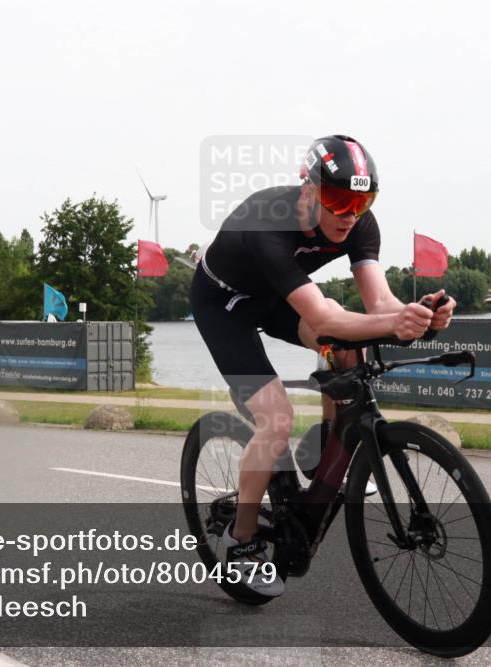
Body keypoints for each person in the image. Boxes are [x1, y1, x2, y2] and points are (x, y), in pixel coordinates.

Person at [190, 134, 456, 597]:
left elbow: (380, 304)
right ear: (308, 188)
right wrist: (395, 324)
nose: (350, 213)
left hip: (275, 296)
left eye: (362, 200)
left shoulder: (359, 224)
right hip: (225, 306)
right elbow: (323, 318)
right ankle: (243, 539)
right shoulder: (265, 222)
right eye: (337, 199)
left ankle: (332, 448)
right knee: (276, 419)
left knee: (350, 350)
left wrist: (420, 316)